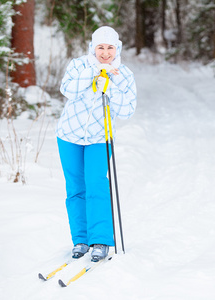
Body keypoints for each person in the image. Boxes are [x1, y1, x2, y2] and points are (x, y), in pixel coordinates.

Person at [56, 26, 137, 262]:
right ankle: (80, 240)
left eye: (110, 47)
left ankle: (100, 240)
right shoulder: (79, 65)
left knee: (96, 186)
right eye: (100, 47)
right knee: (75, 189)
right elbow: (67, 89)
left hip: (100, 139)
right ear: (93, 47)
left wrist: (110, 86)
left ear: (117, 48)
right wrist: (93, 73)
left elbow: (127, 110)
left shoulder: (123, 74)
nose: (105, 53)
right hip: (68, 135)